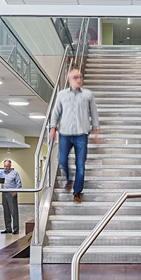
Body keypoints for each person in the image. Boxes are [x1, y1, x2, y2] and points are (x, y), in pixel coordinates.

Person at [48, 68, 99, 204]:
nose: (78, 79)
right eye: (75, 77)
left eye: (80, 77)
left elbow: (94, 112)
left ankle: (77, 192)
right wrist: (53, 128)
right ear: (69, 79)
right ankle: (69, 179)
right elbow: (56, 112)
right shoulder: (61, 95)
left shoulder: (88, 95)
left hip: (81, 135)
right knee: (62, 160)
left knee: (80, 165)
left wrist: (96, 129)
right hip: (64, 133)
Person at [1, 159, 21, 234]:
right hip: (4, 193)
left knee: (14, 212)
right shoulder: (2, 173)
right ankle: (8, 228)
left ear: (10, 166)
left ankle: (16, 229)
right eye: (4, 166)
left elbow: (19, 184)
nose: (5, 167)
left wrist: (15, 191)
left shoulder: (15, 173)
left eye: (7, 166)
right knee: (6, 212)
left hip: (11, 194)